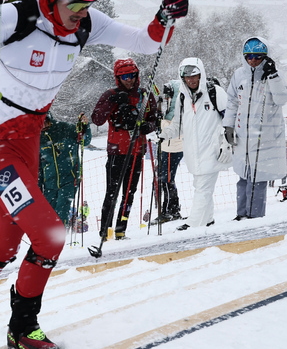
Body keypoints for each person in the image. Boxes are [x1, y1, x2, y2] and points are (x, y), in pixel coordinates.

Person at [0, 0, 189, 349]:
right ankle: (22, 326)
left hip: (28, 142)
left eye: (88, 5)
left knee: (7, 242)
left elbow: (145, 41)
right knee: (50, 233)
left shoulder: (87, 23)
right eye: (75, 4)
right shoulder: (18, 16)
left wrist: (165, 16)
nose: (81, 13)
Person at [91, 58, 160, 241]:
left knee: (129, 192)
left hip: (136, 150)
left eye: (132, 75)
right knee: (111, 193)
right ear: (118, 78)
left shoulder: (144, 94)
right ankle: (105, 231)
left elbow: (155, 118)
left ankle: (121, 229)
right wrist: (112, 102)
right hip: (117, 152)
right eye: (124, 77)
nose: (129, 80)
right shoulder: (110, 94)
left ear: (137, 75)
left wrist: (148, 126)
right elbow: (97, 119)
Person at [159, 59, 231, 230]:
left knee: (202, 188)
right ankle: (208, 219)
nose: (191, 80)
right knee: (201, 186)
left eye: (194, 76)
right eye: (187, 77)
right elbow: (178, 126)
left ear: (201, 75)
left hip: (213, 150)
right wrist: (162, 135)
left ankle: (193, 223)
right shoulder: (182, 97)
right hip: (193, 152)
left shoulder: (215, 92)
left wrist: (228, 143)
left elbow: (231, 119)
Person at [223, 37, 287, 218]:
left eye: (257, 57)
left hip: (265, 138)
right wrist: (228, 125)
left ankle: (254, 217)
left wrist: (273, 76)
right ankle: (241, 215)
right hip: (243, 138)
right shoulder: (239, 75)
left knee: (258, 180)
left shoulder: (274, 76)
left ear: (265, 57)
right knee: (243, 178)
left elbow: (282, 99)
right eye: (249, 56)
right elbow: (232, 102)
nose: (253, 60)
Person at [38, 112, 87, 224]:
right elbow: (39, 167)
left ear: (49, 120)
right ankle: (50, 235)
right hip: (50, 183)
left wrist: (85, 127)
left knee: (61, 211)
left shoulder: (65, 129)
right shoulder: (38, 138)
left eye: (45, 122)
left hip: (69, 179)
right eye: (40, 124)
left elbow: (85, 140)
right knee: (49, 214)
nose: (43, 126)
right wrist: (39, 187)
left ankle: (60, 234)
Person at [155, 81, 184, 224]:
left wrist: (160, 123)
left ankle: (167, 211)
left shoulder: (176, 110)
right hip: (168, 147)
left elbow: (170, 128)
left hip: (172, 148)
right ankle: (174, 209)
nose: (166, 98)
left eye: (168, 95)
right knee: (168, 179)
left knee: (166, 179)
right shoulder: (171, 108)